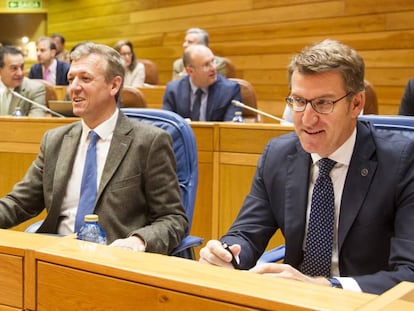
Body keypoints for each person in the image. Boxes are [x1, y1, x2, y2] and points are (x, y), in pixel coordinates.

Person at [199, 39, 414, 295]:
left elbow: (409, 274)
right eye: (298, 101)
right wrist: (227, 254)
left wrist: (326, 286)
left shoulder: (402, 162)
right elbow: (246, 234)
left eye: (323, 103)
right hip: (292, 300)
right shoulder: (278, 155)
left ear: (356, 104)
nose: (307, 119)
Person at [0, 42, 188, 254]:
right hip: (55, 255)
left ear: (114, 86)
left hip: (112, 262)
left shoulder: (149, 142)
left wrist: (138, 241)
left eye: (85, 78)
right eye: (71, 79)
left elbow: (173, 219)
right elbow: (19, 203)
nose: (74, 87)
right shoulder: (55, 140)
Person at [163, 44, 241, 121]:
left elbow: (229, 129)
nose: (213, 68)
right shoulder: (173, 90)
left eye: (213, 61)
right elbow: (167, 125)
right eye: (206, 65)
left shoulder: (230, 90)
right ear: (190, 71)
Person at [0, 45, 47, 116]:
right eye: (14, 68)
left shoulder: (36, 89)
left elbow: (36, 123)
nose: (20, 73)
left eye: (22, 67)